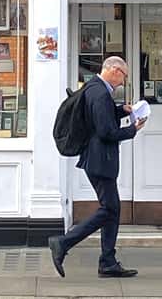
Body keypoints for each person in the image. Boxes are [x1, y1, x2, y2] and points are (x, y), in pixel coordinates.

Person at [48, 56, 146, 278]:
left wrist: (121, 110)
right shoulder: (100, 93)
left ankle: (108, 262)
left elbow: (98, 117)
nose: (123, 82)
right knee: (109, 209)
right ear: (114, 70)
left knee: (113, 209)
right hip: (100, 160)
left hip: (96, 158)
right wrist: (133, 130)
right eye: (124, 76)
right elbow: (106, 131)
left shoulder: (93, 87)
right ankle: (63, 243)